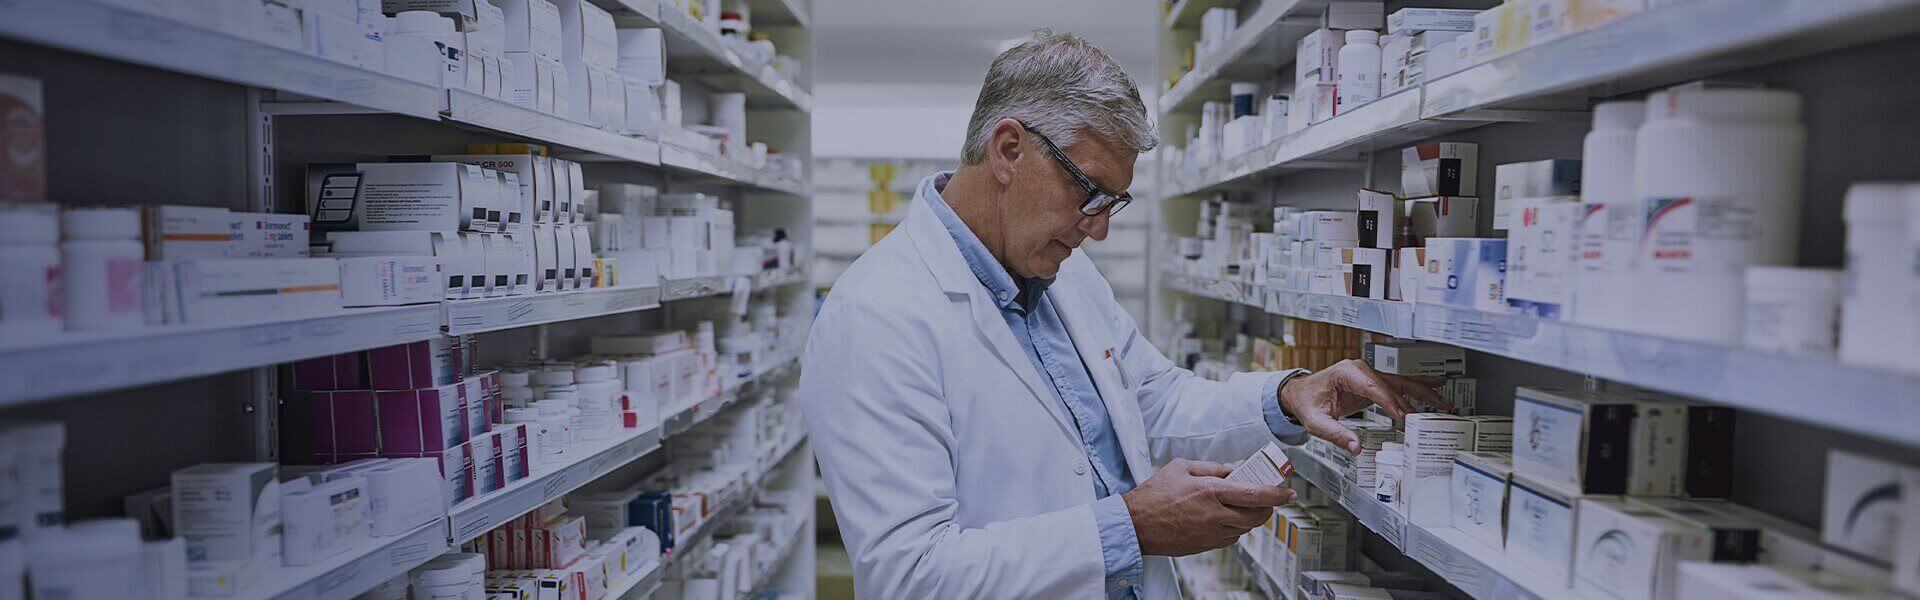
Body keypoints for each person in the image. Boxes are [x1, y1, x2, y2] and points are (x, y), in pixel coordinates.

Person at [796, 29, 1448, 599]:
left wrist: (1290, 396)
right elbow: (910, 576)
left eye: (1115, 202)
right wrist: (1128, 528)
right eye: (1090, 193)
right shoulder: (876, 318)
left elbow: (1156, 404)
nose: (1099, 231)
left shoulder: (1062, 269)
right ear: (1008, 149)